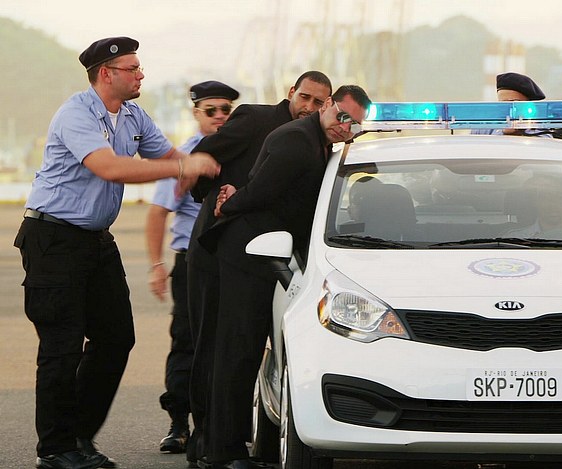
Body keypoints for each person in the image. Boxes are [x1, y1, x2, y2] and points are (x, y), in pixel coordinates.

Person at [13, 36, 220, 469]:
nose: (141, 74)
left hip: (95, 241)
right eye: (133, 68)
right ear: (106, 74)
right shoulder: (77, 113)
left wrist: (204, 172)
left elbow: (170, 155)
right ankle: (56, 449)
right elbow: (110, 167)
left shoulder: (132, 115)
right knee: (62, 347)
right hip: (53, 239)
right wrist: (181, 167)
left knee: (116, 337)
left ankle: (78, 437)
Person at [199, 85, 372, 469]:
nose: (345, 127)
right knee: (237, 353)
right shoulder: (297, 140)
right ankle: (223, 453)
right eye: (342, 116)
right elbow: (260, 193)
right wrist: (228, 204)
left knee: (249, 353)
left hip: (267, 253)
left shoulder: (318, 141)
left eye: (354, 125)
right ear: (328, 105)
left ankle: (240, 447)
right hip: (249, 255)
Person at [185, 71, 332, 467]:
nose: (309, 107)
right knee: (214, 347)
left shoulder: (320, 142)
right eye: (305, 97)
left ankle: (219, 442)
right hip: (218, 249)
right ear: (291, 93)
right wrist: (218, 201)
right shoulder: (256, 118)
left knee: (242, 349)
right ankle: (206, 441)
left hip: (268, 256)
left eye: (319, 102)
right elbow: (205, 154)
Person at [145, 80, 239, 456]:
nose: (219, 116)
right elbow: (157, 213)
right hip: (190, 262)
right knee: (186, 342)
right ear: (196, 113)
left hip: (232, 263)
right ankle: (178, 423)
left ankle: (220, 425)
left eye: (226, 109)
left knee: (229, 343)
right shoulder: (184, 156)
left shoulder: (243, 150)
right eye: (210, 110)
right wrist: (156, 265)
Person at [474, 72, 548, 136]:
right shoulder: (486, 126)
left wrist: (519, 134)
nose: (509, 110)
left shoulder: (541, 128)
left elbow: (544, 143)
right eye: (503, 104)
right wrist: (503, 133)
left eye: (515, 104)